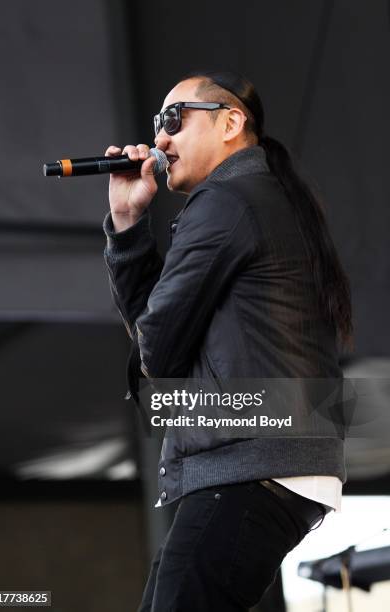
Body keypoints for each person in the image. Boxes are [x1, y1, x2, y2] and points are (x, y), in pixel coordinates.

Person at [102, 71, 353, 611]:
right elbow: (161, 337)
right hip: (269, 460)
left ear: (231, 123)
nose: (161, 139)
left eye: (175, 119)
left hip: (252, 461)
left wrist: (128, 240)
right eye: (156, 124)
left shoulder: (228, 200)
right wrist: (127, 221)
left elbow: (157, 350)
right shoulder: (260, 195)